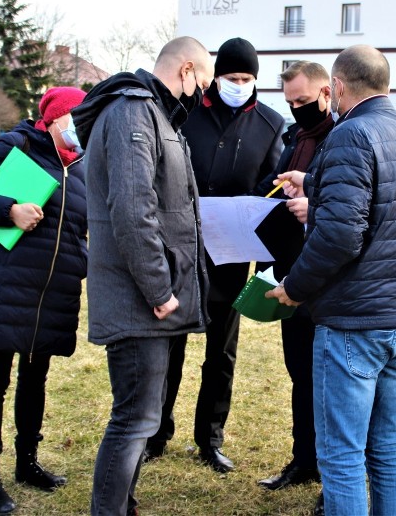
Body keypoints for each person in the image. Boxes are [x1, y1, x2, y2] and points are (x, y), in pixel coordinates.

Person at [266, 44, 396, 516]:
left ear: (337, 87)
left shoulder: (350, 135)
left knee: (341, 454)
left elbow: (341, 235)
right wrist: (315, 184)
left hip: (354, 321)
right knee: (383, 445)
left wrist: (294, 287)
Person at [71, 36, 213, 516]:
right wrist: (160, 288)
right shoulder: (135, 111)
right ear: (187, 69)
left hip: (148, 298)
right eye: (203, 84)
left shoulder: (152, 112)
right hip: (141, 300)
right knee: (134, 420)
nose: (201, 97)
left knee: (142, 418)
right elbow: (134, 210)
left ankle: (123, 505)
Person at [145, 37, 284, 473]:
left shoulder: (270, 123)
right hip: (183, 250)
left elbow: (272, 182)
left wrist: (248, 206)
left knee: (221, 353)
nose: (238, 85)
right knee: (171, 346)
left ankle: (210, 438)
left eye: (246, 79)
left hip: (233, 254)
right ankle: (156, 433)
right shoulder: (186, 114)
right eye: (230, 78)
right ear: (216, 77)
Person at [0, 86, 88, 514]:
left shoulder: (82, 167)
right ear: (55, 118)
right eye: (76, 118)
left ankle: (27, 461)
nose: (81, 128)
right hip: (5, 286)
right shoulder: (17, 146)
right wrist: (9, 210)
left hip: (52, 292)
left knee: (36, 378)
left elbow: (78, 228)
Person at [252, 60, 334, 491]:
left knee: (327, 382)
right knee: (300, 374)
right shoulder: (295, 137)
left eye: (303, 101)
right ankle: (304, 459)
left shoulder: (343, 138)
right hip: (289, 276)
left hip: (325, 281)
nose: (296, 109)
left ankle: (331, 472)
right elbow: (274, 184)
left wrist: (311, 196)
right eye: (289, 102)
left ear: (326, 94)